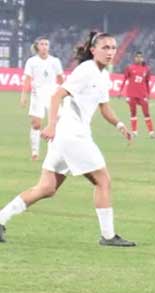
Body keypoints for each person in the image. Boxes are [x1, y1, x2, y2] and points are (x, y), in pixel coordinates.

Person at [0, 31, 135, 246]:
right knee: (103, 181)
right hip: (72, 135)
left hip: (66, 137)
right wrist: (51, 125)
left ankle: (1, 219)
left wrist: (119, 125)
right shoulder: (86, 70)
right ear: (93, 50)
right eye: (105, 47)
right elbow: (57, 95)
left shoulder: (103, 74)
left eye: (113, 48)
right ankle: (108, 236)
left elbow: (104, 106)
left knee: (46, 188)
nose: (110, 52)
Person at [20, 36, 64, 161]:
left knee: (56, 123)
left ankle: (54, 151)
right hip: (37, 93)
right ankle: (35, 152)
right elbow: (28, 79)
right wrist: (24, 95)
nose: (44, 46)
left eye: (46, 44)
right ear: (37, 47)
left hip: (52, 93)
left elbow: (60, 78)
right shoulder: (31, 62)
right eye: (42, 44)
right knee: (36, 123)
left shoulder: (55, 61)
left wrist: (65, 94)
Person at [118, 51, 155, 138]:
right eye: (137, 57)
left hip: (142, 94)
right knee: (133, 113)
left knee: (146, 113)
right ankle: (134, 132)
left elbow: (147, 83)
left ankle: (151, 133)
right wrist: (120, 91)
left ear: (143, 58)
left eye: (140, 57)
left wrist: (148, 94)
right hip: (131, 94)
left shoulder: (146, 69)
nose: (139, 58)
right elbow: (124, 79)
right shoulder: (130, 68)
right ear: (134, 58)